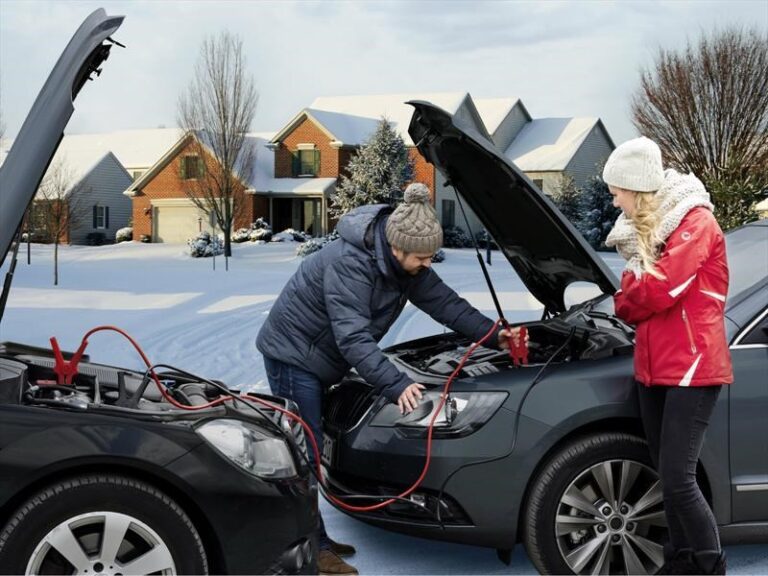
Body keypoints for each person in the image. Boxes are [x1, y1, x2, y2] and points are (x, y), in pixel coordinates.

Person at [257, 183, 523, 576]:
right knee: (304, 454)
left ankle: (316, 538)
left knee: (314, 447)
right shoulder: (353, 264)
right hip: (293, 357)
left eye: (431, 256)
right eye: (422, 258)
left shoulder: (404, 264)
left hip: (321, 357)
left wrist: (492, 334)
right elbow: (353, 339)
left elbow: (446, 304)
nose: (427, 264)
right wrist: (395, 384)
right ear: (397, 248)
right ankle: (312, 552)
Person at [604, 137, 732, 575]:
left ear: (636, 187)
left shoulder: (696, 222)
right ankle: (679, 564)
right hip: (654, 369)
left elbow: (658, 289)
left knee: (679, 480)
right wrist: (633, 293)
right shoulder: (650, 232)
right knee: (671, 478)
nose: (613, 198)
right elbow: (631, 296)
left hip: (694, 369)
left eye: (616, 189)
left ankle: (711, 567)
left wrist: (633, 293)